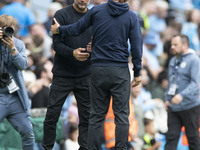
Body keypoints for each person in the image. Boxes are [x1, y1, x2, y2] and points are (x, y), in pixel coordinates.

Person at [51, 0, 143, 149]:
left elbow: (77, 28)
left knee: (96, 115)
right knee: (121, 116)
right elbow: (137, 46)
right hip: (119, 71)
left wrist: (60, 30)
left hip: (98, 70)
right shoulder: (132, 17)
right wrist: (137, 71)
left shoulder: (97, 11)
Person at [42, 0, 92, 149]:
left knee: (86, 118)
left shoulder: (93, 16)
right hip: (63, 74)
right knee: (52, 115)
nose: (83, 0)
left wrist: (93, 48)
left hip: (85, 74)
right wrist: (72, 53)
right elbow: (56, 44)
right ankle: (48, 147)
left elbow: (100, 42)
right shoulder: (61, 15)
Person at [0, 14, 35, 149]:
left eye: (10, 29)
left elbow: (23, 65)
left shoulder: (18, 44)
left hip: (16, 97)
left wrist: (13, 50)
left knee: (28, 133)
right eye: (3, 29)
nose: (7, 33)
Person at [164, 34, 200, 150]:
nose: (172, 47)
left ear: (185, 45)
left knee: (193, 139)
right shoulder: (173, 60)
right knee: (170, 138)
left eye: (175, 44)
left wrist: (181, 95)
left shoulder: (194, 60)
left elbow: (195, 83)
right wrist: (166, 99)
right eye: (171, 44)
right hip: (174, 108)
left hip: (190, 106)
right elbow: (170, 82)